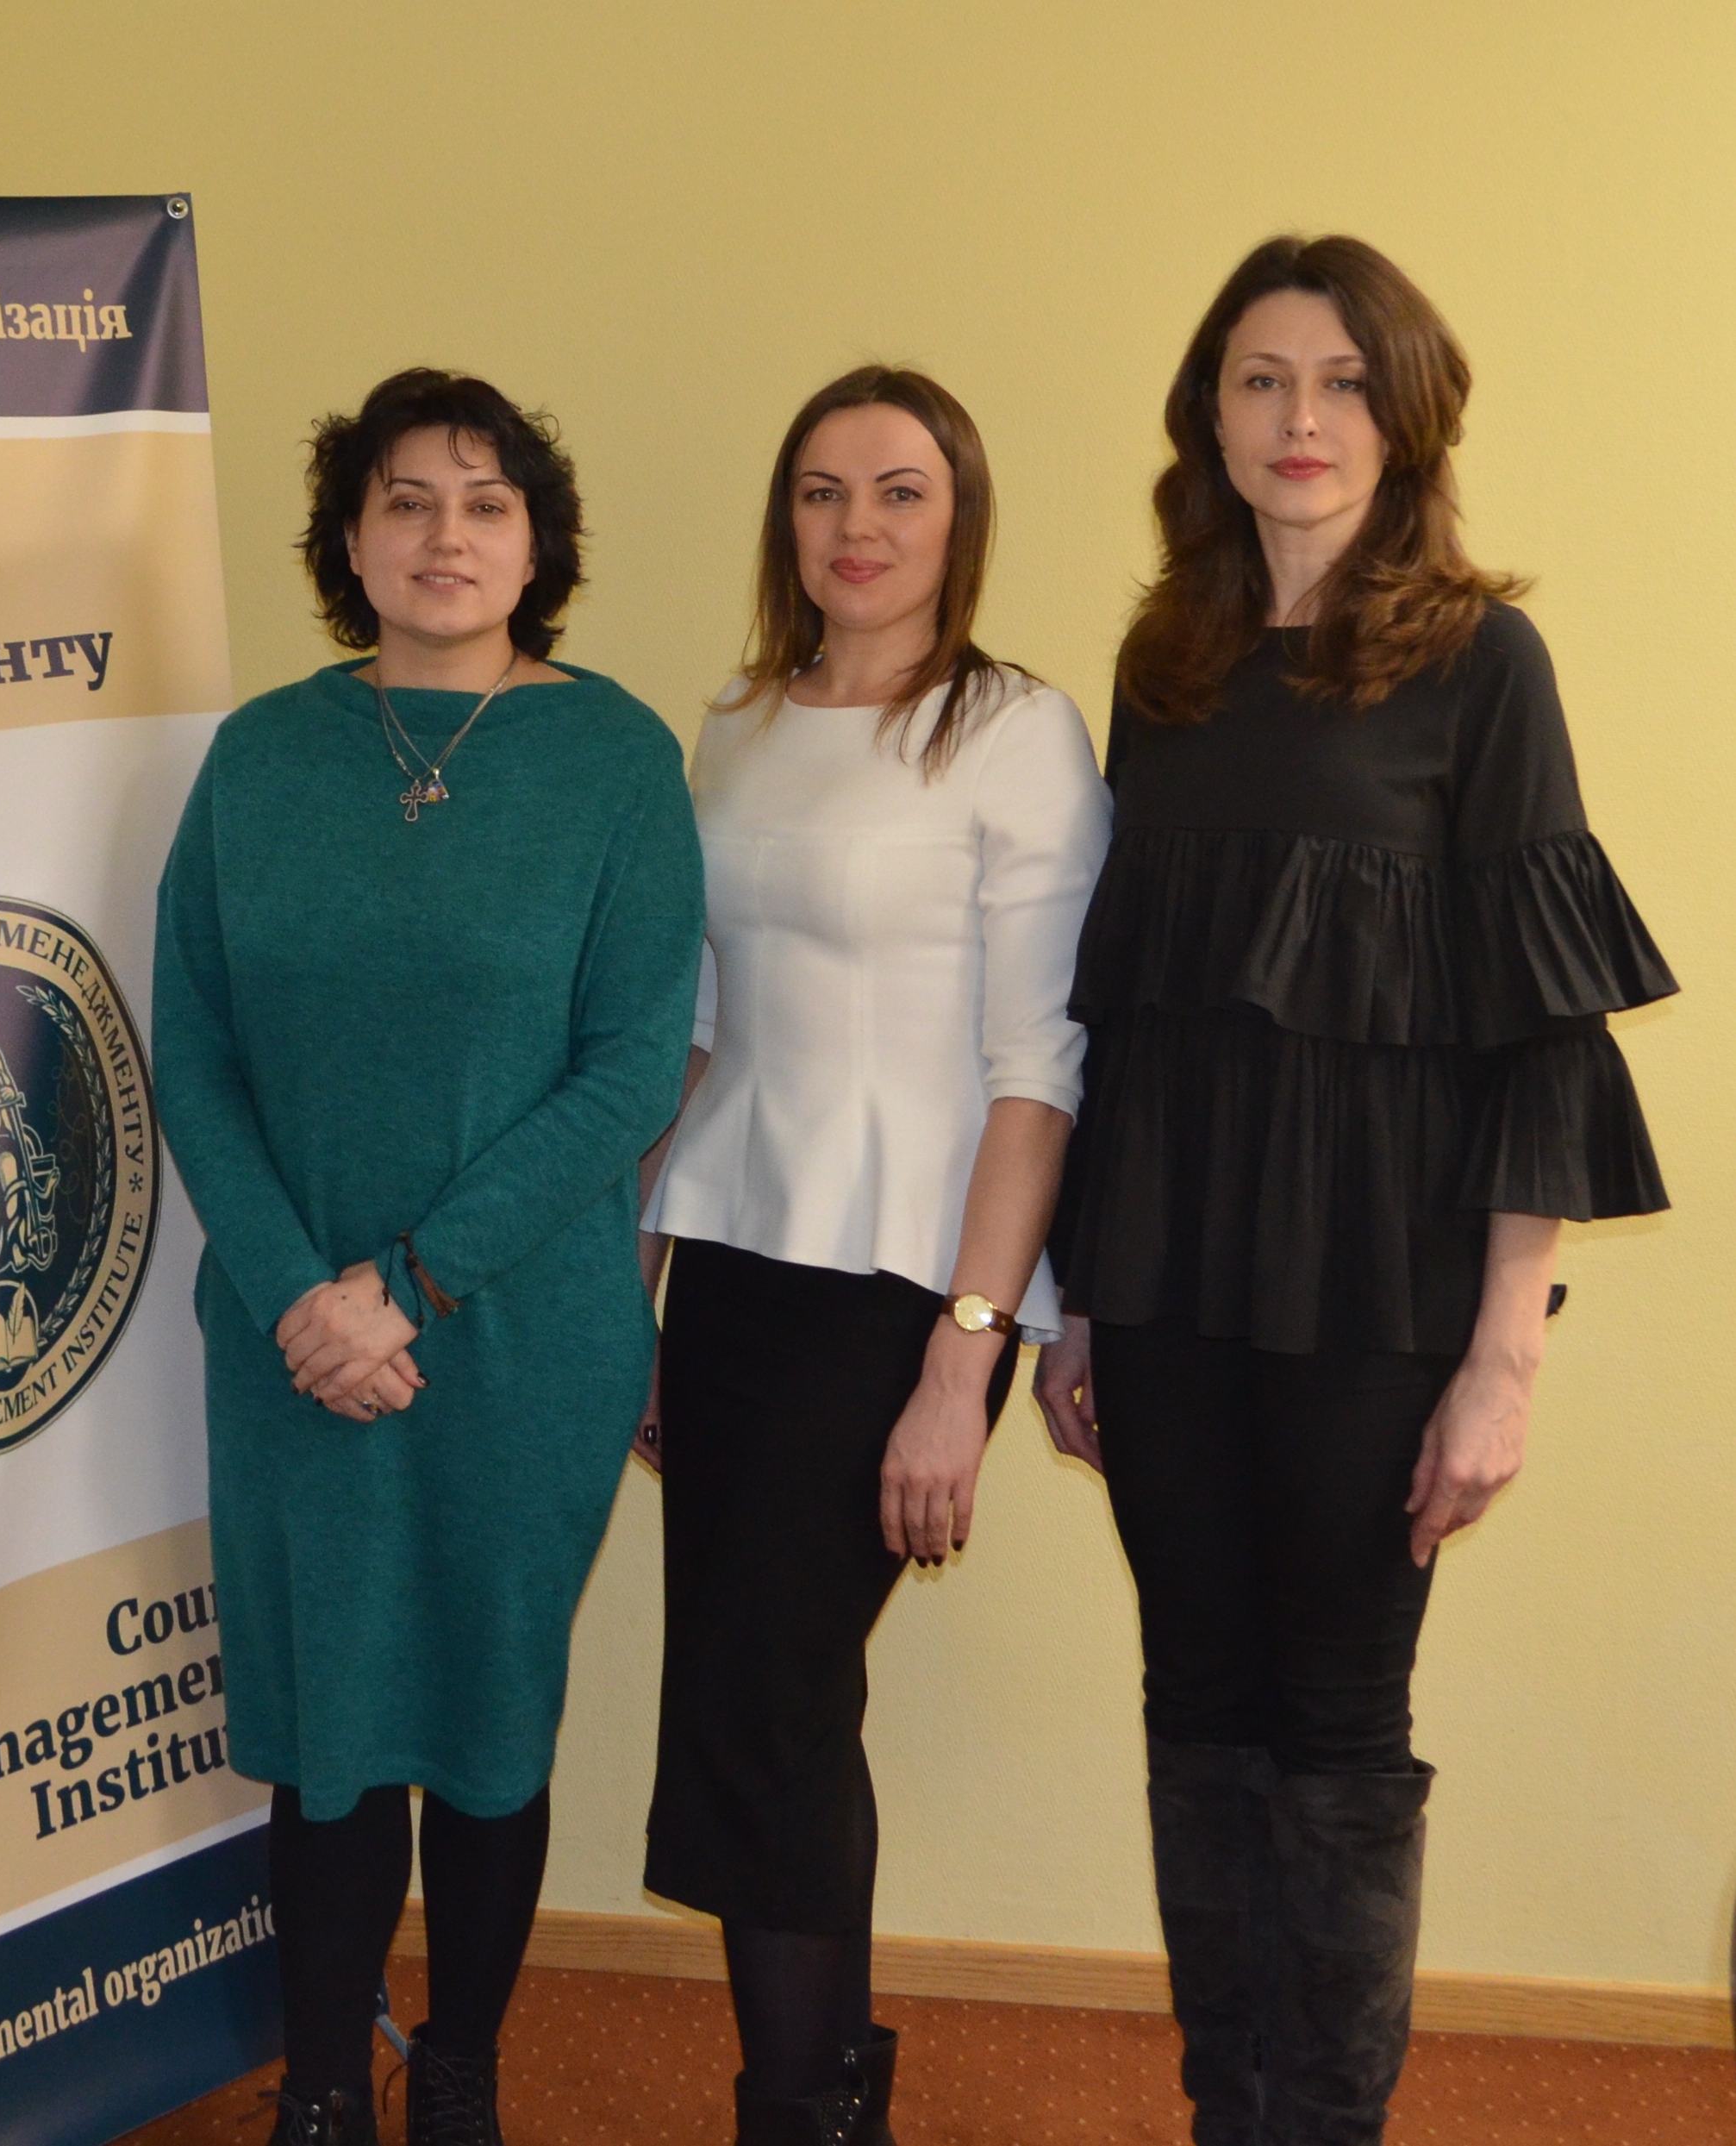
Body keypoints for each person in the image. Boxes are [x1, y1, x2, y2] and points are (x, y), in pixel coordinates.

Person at [1035, 235, 1672, 2144]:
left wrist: (1504, 1360)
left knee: (1337, 1722)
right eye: (1261, 380)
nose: (1299, 420)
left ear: (1405, 418)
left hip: (1381, 1294)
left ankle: (1324, 2124)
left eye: (1339, 382)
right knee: (1193, 1701)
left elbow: (1541, 1035)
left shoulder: (1483, 665)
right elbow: (1129, 1008)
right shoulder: (1164, 665)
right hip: (1164, 1281)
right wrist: (1080, 1297)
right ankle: (1228, 2108)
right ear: (1209, 418)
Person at [153, 369, 705, 2146]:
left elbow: (630, 1066)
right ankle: (324, 2084)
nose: (444, 535)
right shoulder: (262, 755)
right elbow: (194, 1051)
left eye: (484, 502)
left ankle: (457, 2068)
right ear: (349, 540)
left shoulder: (619, 763)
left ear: (538, 545)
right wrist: (300, 1293)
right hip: (290, 1339)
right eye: (404, 499)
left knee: (484, 1720)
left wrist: (405, 1284)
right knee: (326, 1730)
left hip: (521, 1339)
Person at [638, 367, 1109, 2143]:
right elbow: (698, 1034)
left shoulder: (1015, 731)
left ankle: (804, 2108)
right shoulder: (741, 720)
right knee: (759, 1701)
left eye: (902, 490)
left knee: (767, 1705)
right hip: (733, 1265)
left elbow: (1038, 1067)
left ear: (959, 517)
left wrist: (963, 1361)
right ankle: (829, 2092)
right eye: (824, 491)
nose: (858, 526)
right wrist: (634, 1294)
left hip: (906, 1284)